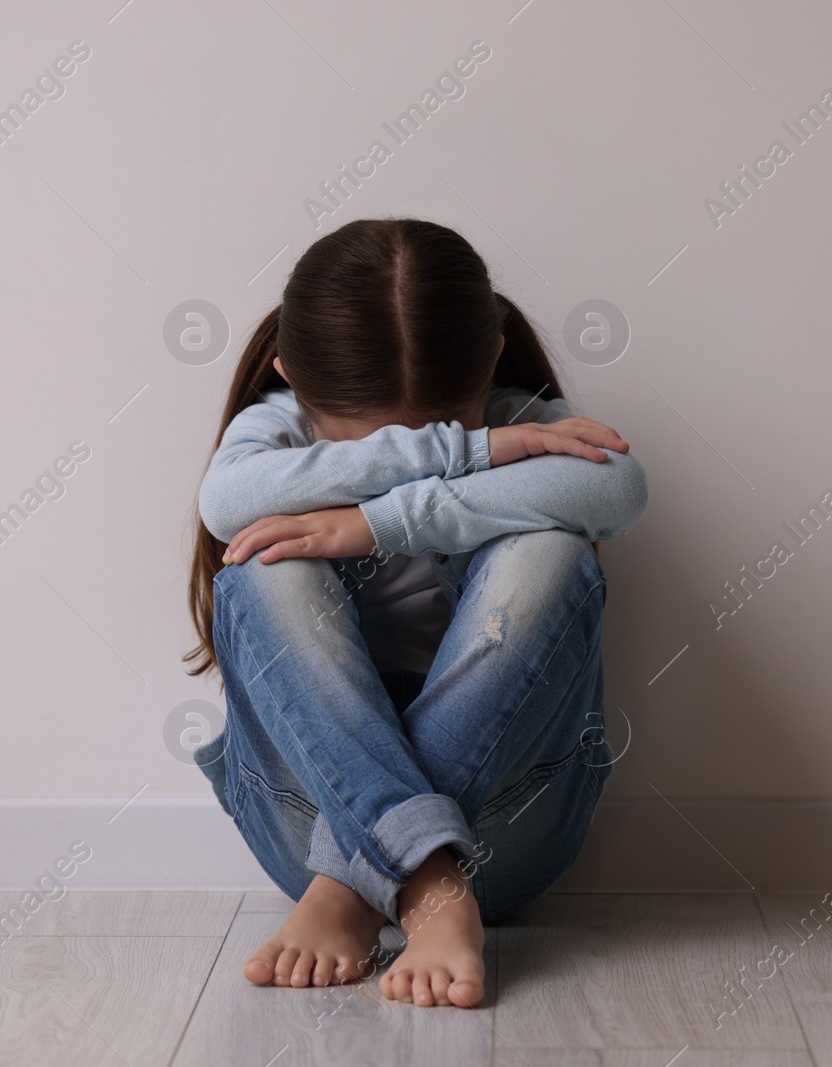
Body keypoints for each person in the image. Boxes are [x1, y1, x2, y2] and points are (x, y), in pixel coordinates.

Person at [182, 217, 647, 1008]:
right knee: (262, 567)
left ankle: (358, 881)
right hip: (305, 816)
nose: (408, 454)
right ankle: (426, 878)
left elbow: (617, 488)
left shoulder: (523, 422)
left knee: (552, 551)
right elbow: (225, 503)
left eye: (444, 427)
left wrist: (375, 522)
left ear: (492, 356)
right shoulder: (278, 431)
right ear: (290, 374)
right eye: (371, 450)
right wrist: (459, 451)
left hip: (505, 835)